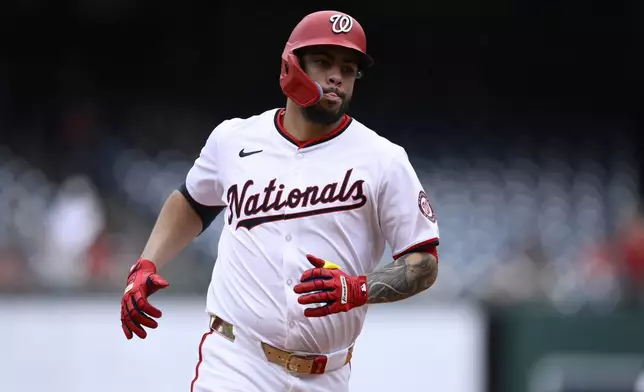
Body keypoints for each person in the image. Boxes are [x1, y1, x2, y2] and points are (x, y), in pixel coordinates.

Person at [120, 10, 440, 392]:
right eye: (323, 62)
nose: (337, 76)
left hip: (327, 374)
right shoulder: (233, 140)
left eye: (349, 68)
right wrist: (146, 261)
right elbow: (192, 201)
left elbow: (423, 263)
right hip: (237, 360)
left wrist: (356, 289)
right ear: (292, 64)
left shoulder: (383, 159)